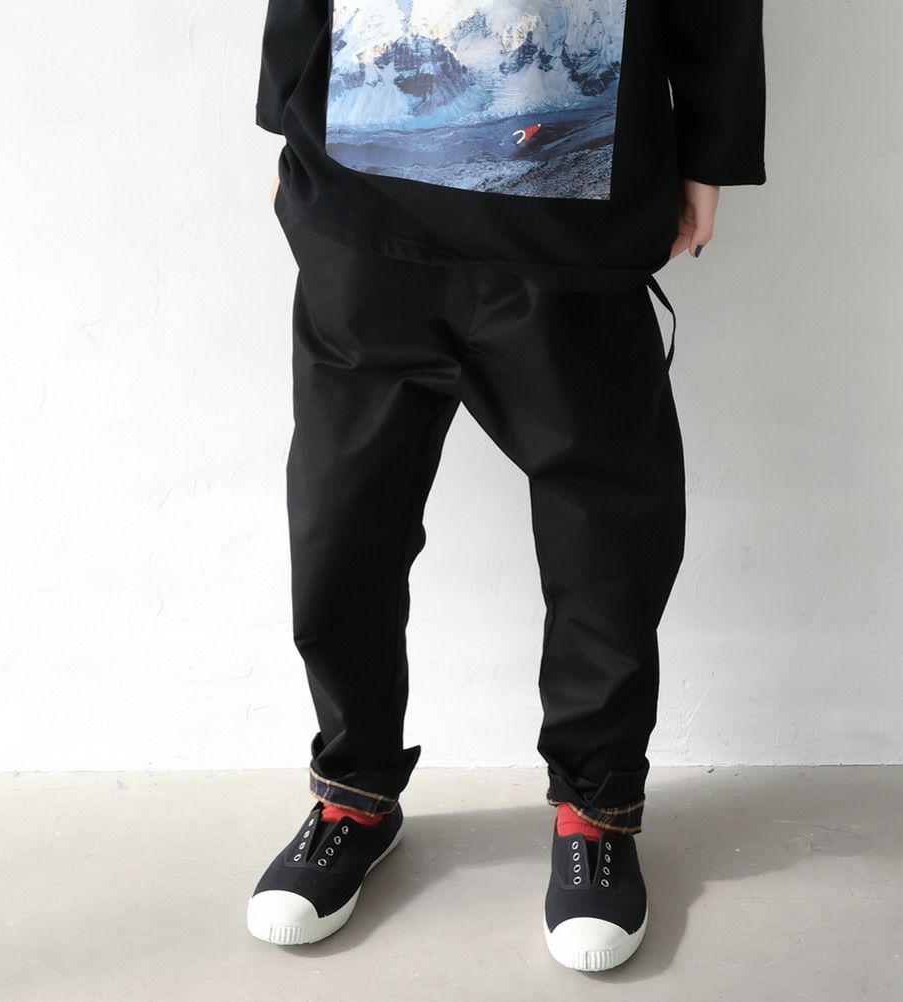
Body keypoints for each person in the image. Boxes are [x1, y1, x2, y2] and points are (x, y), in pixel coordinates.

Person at [246, 0, 766, 972]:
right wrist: (286, 104)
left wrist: (711, 147)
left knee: (606, 532)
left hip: (574, 205)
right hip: (361, 199)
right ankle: (352, 789)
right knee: (339, 522)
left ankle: (596, 809)